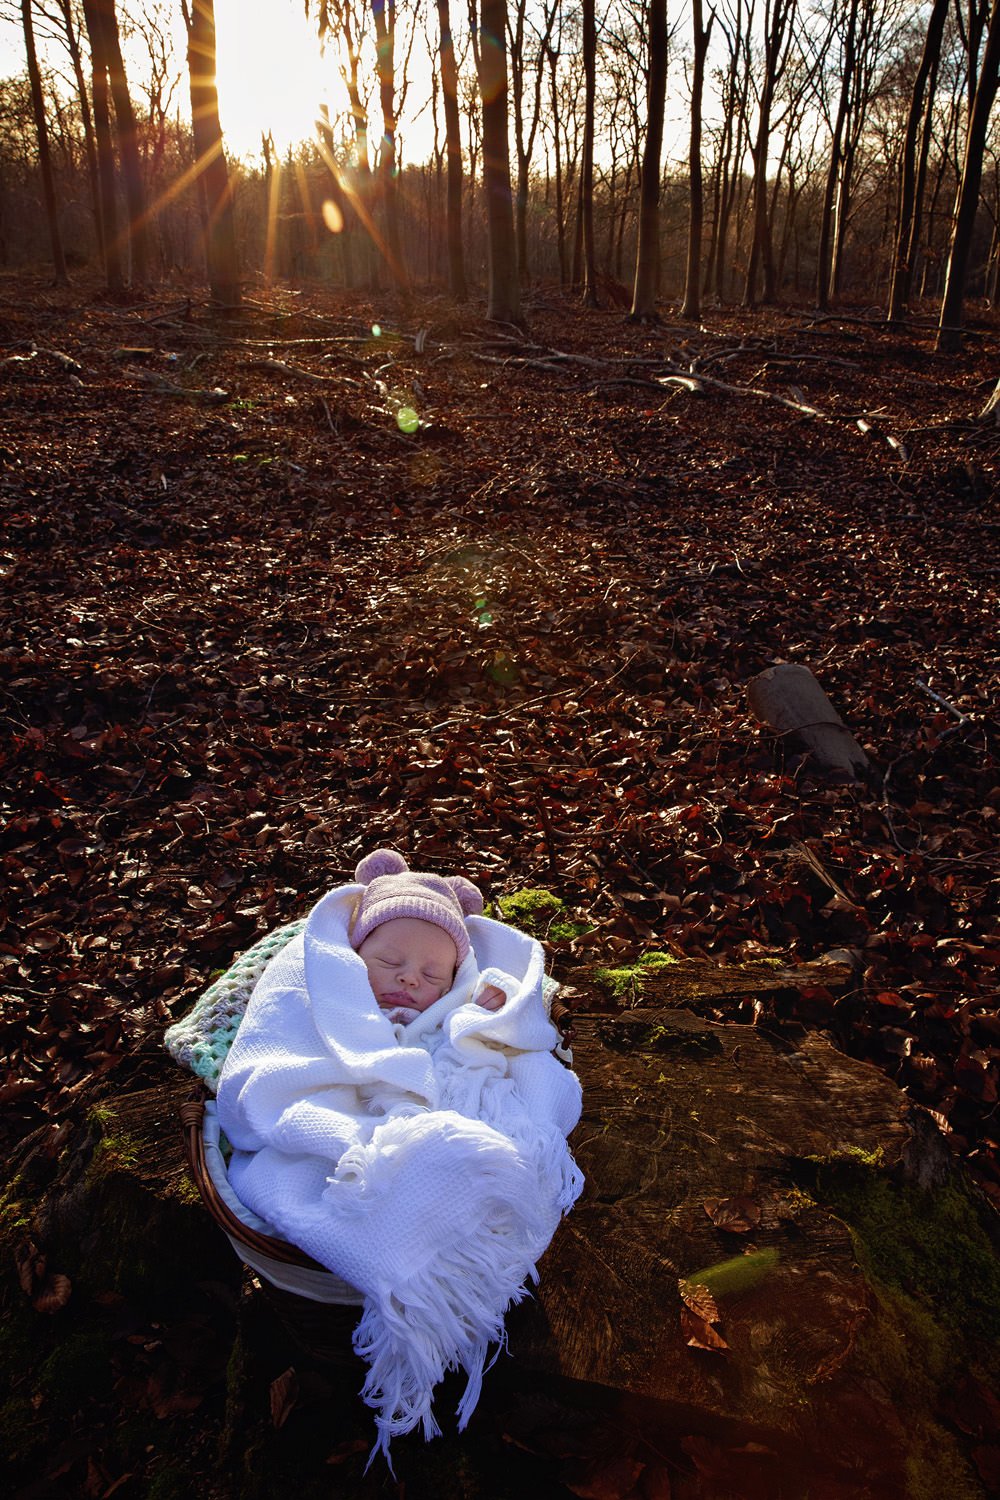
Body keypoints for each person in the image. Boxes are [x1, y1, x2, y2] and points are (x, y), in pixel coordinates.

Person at [348, 850, 507, 1026]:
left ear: (452, 983)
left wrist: (490, 1005)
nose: (409, 978)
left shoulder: (452, 1017)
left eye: (431, 975)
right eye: (389, 961)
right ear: (357, 952)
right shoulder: (328, 993)